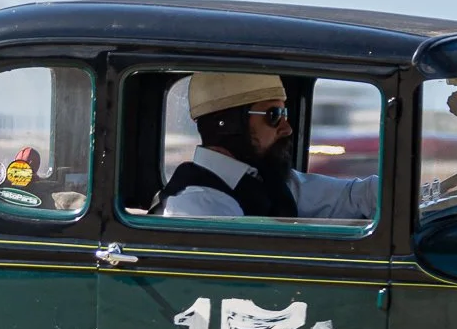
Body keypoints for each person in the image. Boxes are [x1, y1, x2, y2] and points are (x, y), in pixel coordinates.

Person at [155, 72, 378, 220]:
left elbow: (358, 196)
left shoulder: (266, 181)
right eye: (274, 115)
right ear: (228, 124)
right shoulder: (195, 203)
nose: (287, 128)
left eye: (285, 114)